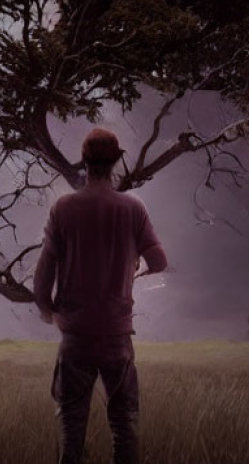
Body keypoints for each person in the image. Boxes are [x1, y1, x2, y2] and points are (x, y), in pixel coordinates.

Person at [34, 127, 168, 464]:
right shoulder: (132, 209)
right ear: (116, 163)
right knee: (124, 422)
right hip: (116, 335)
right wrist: (132, 268)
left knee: (71, 423)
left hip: (76, 334)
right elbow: (160, 261)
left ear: (85, 162)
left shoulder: (63, 208)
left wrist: (50, 312)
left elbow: (44, 274)